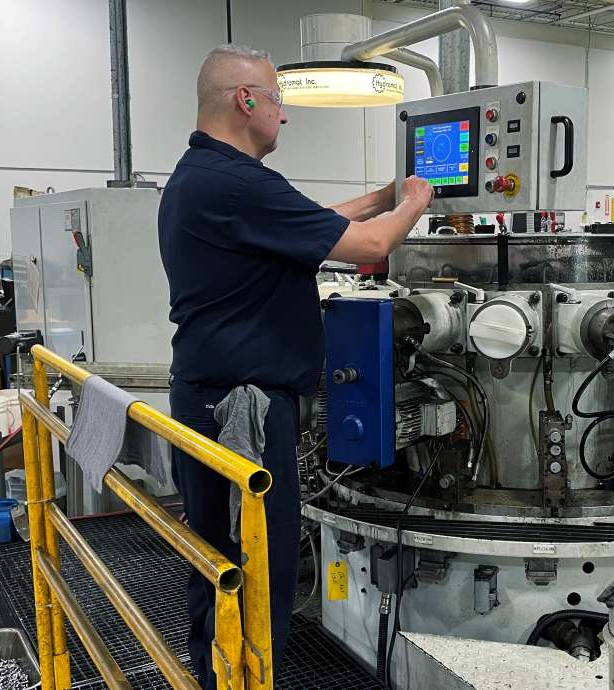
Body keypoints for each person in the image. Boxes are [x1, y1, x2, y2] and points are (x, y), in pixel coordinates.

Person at [157, 44, 432, 688]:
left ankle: (213, 674)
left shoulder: (205, 178)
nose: (285, 116)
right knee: (260, 565)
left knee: (217, 555)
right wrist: (417, 202)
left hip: (208, 394)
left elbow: (314, 224)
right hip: (242, 412)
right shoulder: (237, 182)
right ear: (247, 101)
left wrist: (386, 192)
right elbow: (366, 246)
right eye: (279, 100)